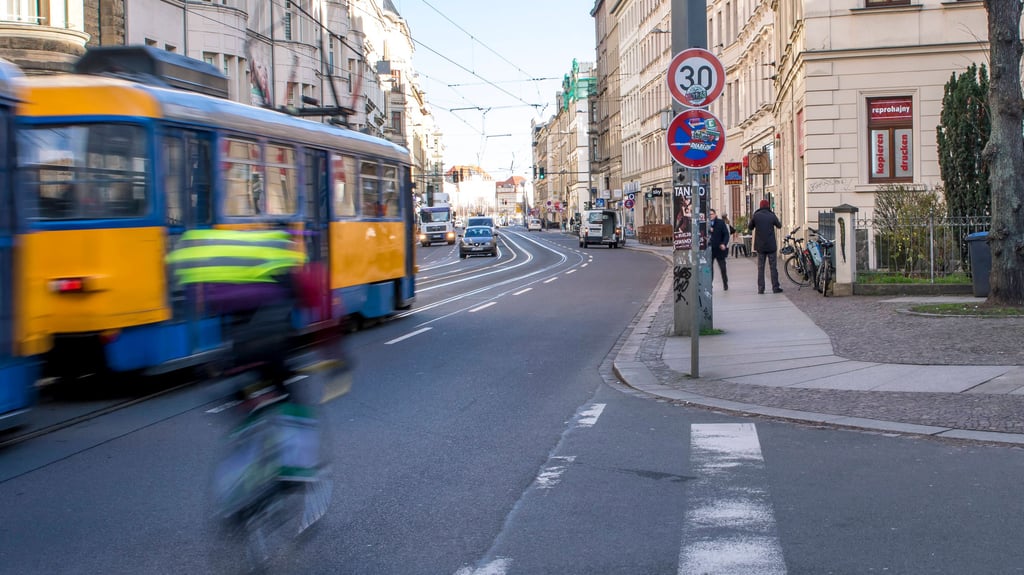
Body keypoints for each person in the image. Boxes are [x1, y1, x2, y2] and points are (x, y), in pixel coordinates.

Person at [748, 198, 784, 294]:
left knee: (760, 268)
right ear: (768, 206)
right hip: (771, 245)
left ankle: (761, 288)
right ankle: (775, 287)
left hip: (760, 246)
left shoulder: (756, 215)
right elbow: (779, 225)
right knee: (773, 267)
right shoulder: (771, 215)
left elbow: (750, 227)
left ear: (760, 206)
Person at [708, 209, 730, 291]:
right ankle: (709, 284)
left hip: (719, 249)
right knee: (709, 268)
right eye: (709, 214)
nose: (710, 216)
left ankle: (725, 283)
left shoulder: (720, 223)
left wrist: (724, 244)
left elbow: (726, 234)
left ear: (715, 214)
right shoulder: (706, 223)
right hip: (710, 249)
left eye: (711, 214)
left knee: (723, 268)